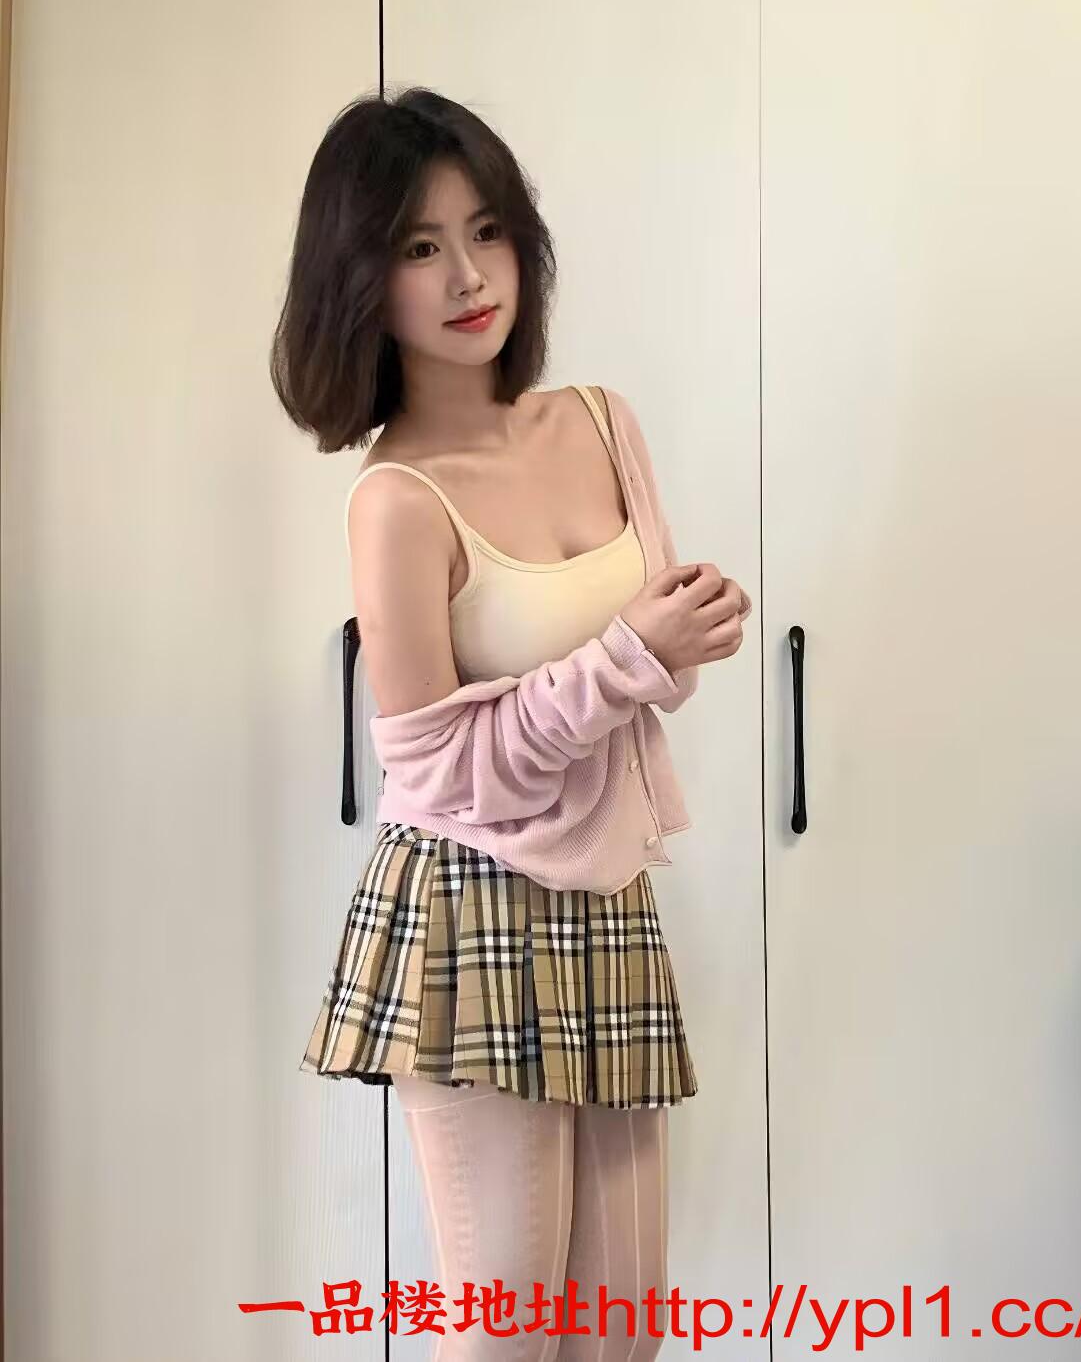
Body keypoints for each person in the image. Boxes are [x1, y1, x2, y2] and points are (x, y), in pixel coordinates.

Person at [271, 87, 748, 1360]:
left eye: (485, 231)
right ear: (359, 280)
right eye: (419, 246)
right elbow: (438, 769)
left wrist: (680, 631)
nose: (469, 277)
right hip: (467, 909)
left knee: (622, 1331)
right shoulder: (395, 500)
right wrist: (629, 654)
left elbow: (645, 674)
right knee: (508, 1335)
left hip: (608, 894)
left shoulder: (599, 420)